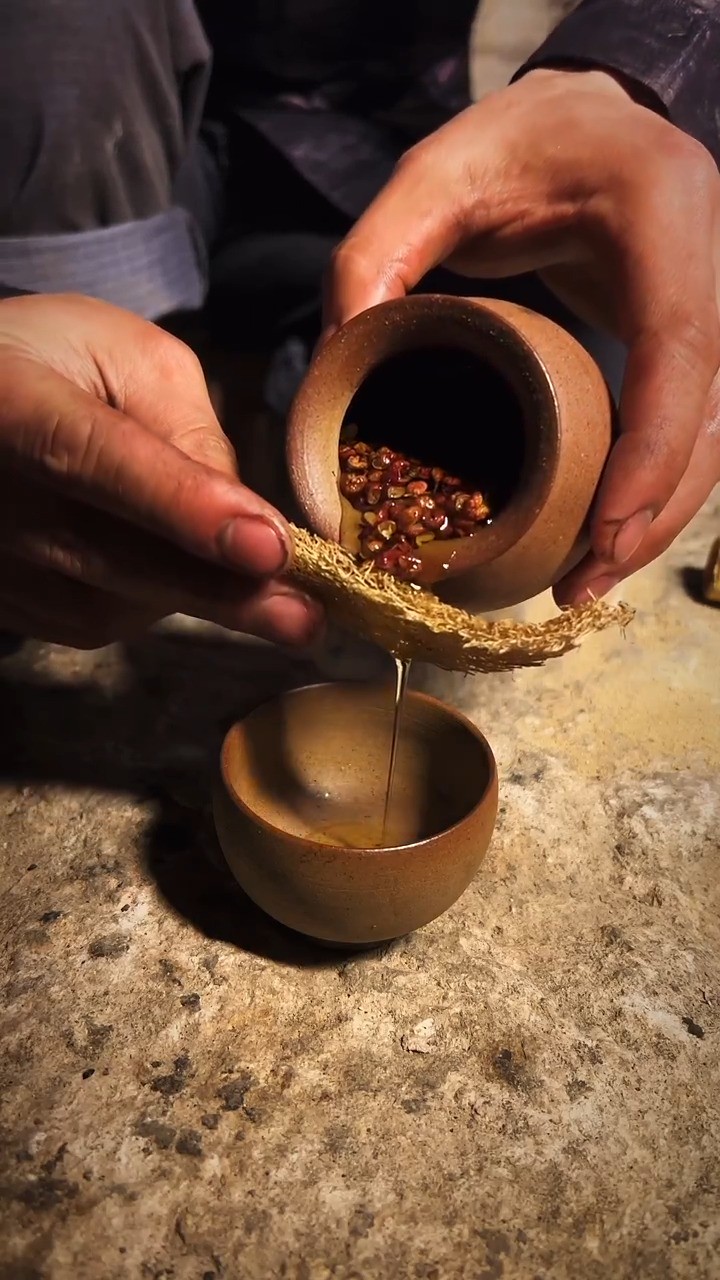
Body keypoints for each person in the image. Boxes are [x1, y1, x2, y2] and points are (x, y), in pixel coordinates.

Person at [0, 0, 718, 650]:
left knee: (616, 404)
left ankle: (278, 359)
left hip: (376, 147)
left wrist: (629, 76)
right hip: (104, 130)